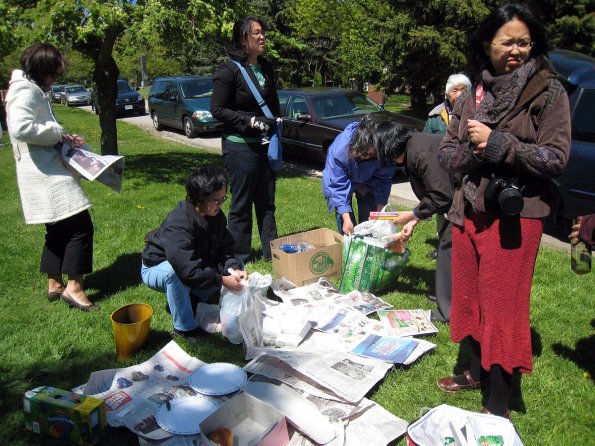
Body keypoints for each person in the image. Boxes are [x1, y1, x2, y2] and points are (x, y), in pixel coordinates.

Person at [436, 3, 571, 417]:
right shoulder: (472, 94)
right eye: (507, 42)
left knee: (503, 309)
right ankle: (476, 371)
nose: (516, 50)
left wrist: (498, 144)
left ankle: (499, 403)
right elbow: (446, 154)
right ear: (486, 44)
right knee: (471, 300)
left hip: (514, 217)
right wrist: (473, 153)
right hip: (467, 213)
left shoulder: (547, 91)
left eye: (524, 42)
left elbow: (556, 157)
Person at [6, 43, 98, 311]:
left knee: (56, 227)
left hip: (42, 167)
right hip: (45, 171)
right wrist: (57, 131)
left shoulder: (29, 88)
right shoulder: (25, 89)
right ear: (42, 69)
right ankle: (75, 288)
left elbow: (34, 126)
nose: (55, 79)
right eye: (53, 74)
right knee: (80, 226)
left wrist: (63, 135)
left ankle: (54, 284)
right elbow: (22, 128)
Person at [141, 166, 248, 339]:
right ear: (199, 198)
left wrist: (233, 269)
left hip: (194, 261)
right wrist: (221, 280)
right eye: (215, 200)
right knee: (173, 274)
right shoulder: (179, 223)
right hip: (156, 268)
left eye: (223, 198)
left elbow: (225, 249)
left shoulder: (216, 215)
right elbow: (186, 270)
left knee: (238, 267)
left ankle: (193, 299)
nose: (220, 205)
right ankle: (185, 328)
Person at [211, 16, 281, 262]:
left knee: (267, 203)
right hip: (240, 148)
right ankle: (238, 256)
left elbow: (272, 104)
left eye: (263, 33)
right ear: (243, 39)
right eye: (257, 33)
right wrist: (249, 121)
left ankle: (271, 253)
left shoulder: (267, 67)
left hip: (265, 148)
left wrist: (277, 121)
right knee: (241, 205)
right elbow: (217, 109)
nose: (263, 37)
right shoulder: (228, 70)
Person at [385, 131, 454, 322]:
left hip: (464, 208)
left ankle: (448, 310)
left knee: (447, 253)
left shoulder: (420, 154)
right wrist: (414, 221)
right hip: (455, 207)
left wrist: (412, 214)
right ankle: (449, 302)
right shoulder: (415, 146)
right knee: (447, 252)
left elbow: (441, 194)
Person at [322, 112, 412, 235]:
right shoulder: (340, 150)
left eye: (371, 155)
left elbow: (382, 180)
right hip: (345, 178)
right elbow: (337, 186)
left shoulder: (382, 148)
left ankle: (368, 245)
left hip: (369, 181)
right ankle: (348, 245)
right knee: (346, 224)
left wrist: (380, 211)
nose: (366, 158)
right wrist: (346, 219)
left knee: (371, 218)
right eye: (364, 153)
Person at [423, 73, 471, 262]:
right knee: (442, 209)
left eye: (463, 90)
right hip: (443, 172)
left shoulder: (479, 112)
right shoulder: (435, 117)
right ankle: (442, 247)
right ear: (447, 94)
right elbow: (425, 144)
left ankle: (462, 247)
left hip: (466, 170)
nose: (459, 94)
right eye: (455, 90)